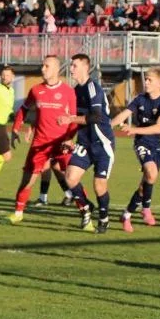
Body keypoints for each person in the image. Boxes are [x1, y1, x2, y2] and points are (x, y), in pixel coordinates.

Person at [7, 55, 77, 224]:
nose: (42, 69)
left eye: (46, 66)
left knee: (73, 179)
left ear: (56, 69)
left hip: (61, 143)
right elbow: (24, 109)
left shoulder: (68, 91)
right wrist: (16, 128)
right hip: (39, 143)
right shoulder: (36, 90)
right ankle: (18, 212)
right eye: (42, 65)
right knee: (27, 180)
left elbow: (73, 118)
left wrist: (69, 138)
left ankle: (86, 215)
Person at [56, 53, 115, 233]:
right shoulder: (76, 90)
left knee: (99, 186)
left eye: (74, 65)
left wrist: (70, 118)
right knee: (70, 178)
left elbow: (96, 117)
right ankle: (87, 205)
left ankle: (104, 217)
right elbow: (75, 120)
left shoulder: (92, 88)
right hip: (84, 143)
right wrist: (69, 137)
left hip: (102, 143)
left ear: (85, 67)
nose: (71, 68)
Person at [109, 67, 160, 233]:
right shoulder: (139, 99)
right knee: (151, 173)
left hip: (158, 144)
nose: (146, 82)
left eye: (150, 80)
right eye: (146, 79)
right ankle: (146, 208)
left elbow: (159, 128)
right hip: (142, 142)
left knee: (147, 182)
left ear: (159, 83)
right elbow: (122, 116)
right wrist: (107, 126)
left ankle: (127, 214)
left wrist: (133, 129)